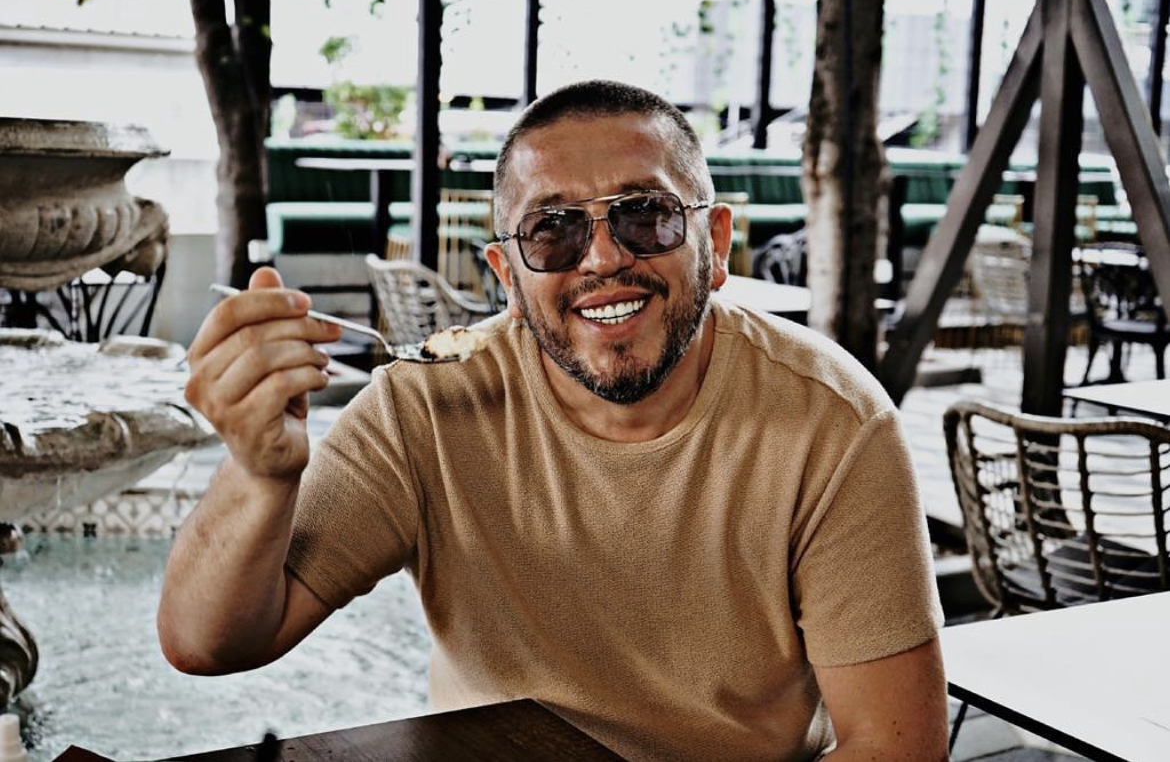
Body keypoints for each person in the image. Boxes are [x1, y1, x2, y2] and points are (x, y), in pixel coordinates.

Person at [159, 79, 948, 761]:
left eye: (645, 215)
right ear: (507, 273)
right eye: (553, 229)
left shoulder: (832, 422)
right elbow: (204, 642)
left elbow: (897, 744)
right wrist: (259, 473)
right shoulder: (427, 404)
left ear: (714, 241)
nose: (602, 258)